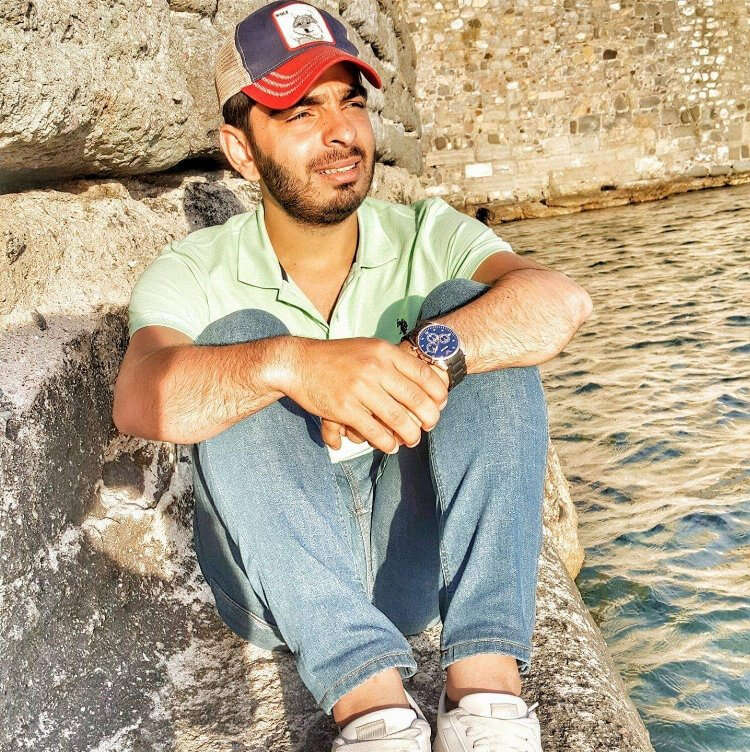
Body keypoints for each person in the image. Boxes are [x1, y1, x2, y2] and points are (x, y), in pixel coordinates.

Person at [113, 2, 593, 750]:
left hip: (413, 561)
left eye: (352, 103)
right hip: (278, 582)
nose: (341, 133)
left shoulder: (427, 231)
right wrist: (294, 366)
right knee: (238, 341)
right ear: (241, 151)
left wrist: (416, 360)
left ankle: (485, 699)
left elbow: (560, 303)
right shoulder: (193, 269)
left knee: (470, 314)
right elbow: (141, 396)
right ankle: (374, 713)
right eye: (301, 112)